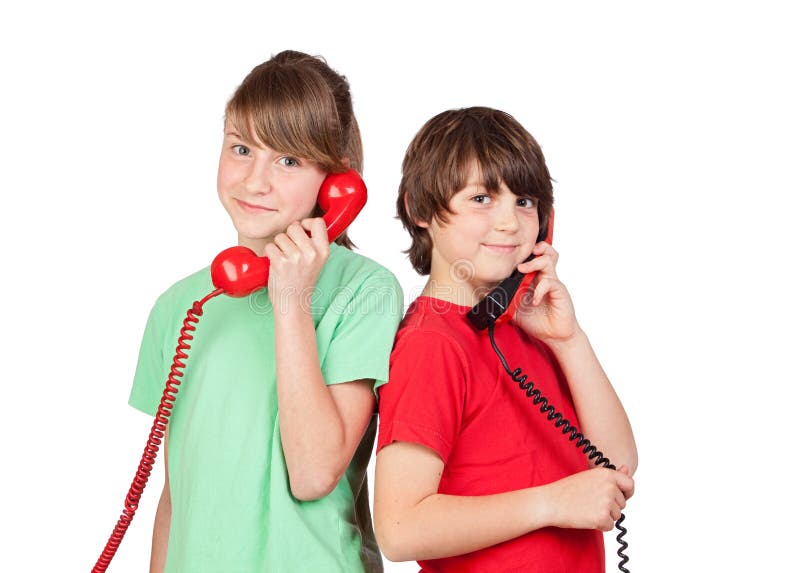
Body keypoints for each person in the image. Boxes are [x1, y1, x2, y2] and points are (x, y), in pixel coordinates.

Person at [128, 50, 403, 573]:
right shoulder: (180, 306)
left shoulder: (367, 292)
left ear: (336, 184)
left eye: (289, 160)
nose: (255, 181)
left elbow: (313, 473)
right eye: (241, 148)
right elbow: (176, 496)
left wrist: (292, 302)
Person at [374, 107, 638, 572]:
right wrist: (551, 503)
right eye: (481, 198)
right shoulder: (431, 344)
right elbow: (400, 528)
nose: (510, 223)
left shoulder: (529, 331)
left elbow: (618, 464)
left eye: (525, 201)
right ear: (419, 209)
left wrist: (569, 340)